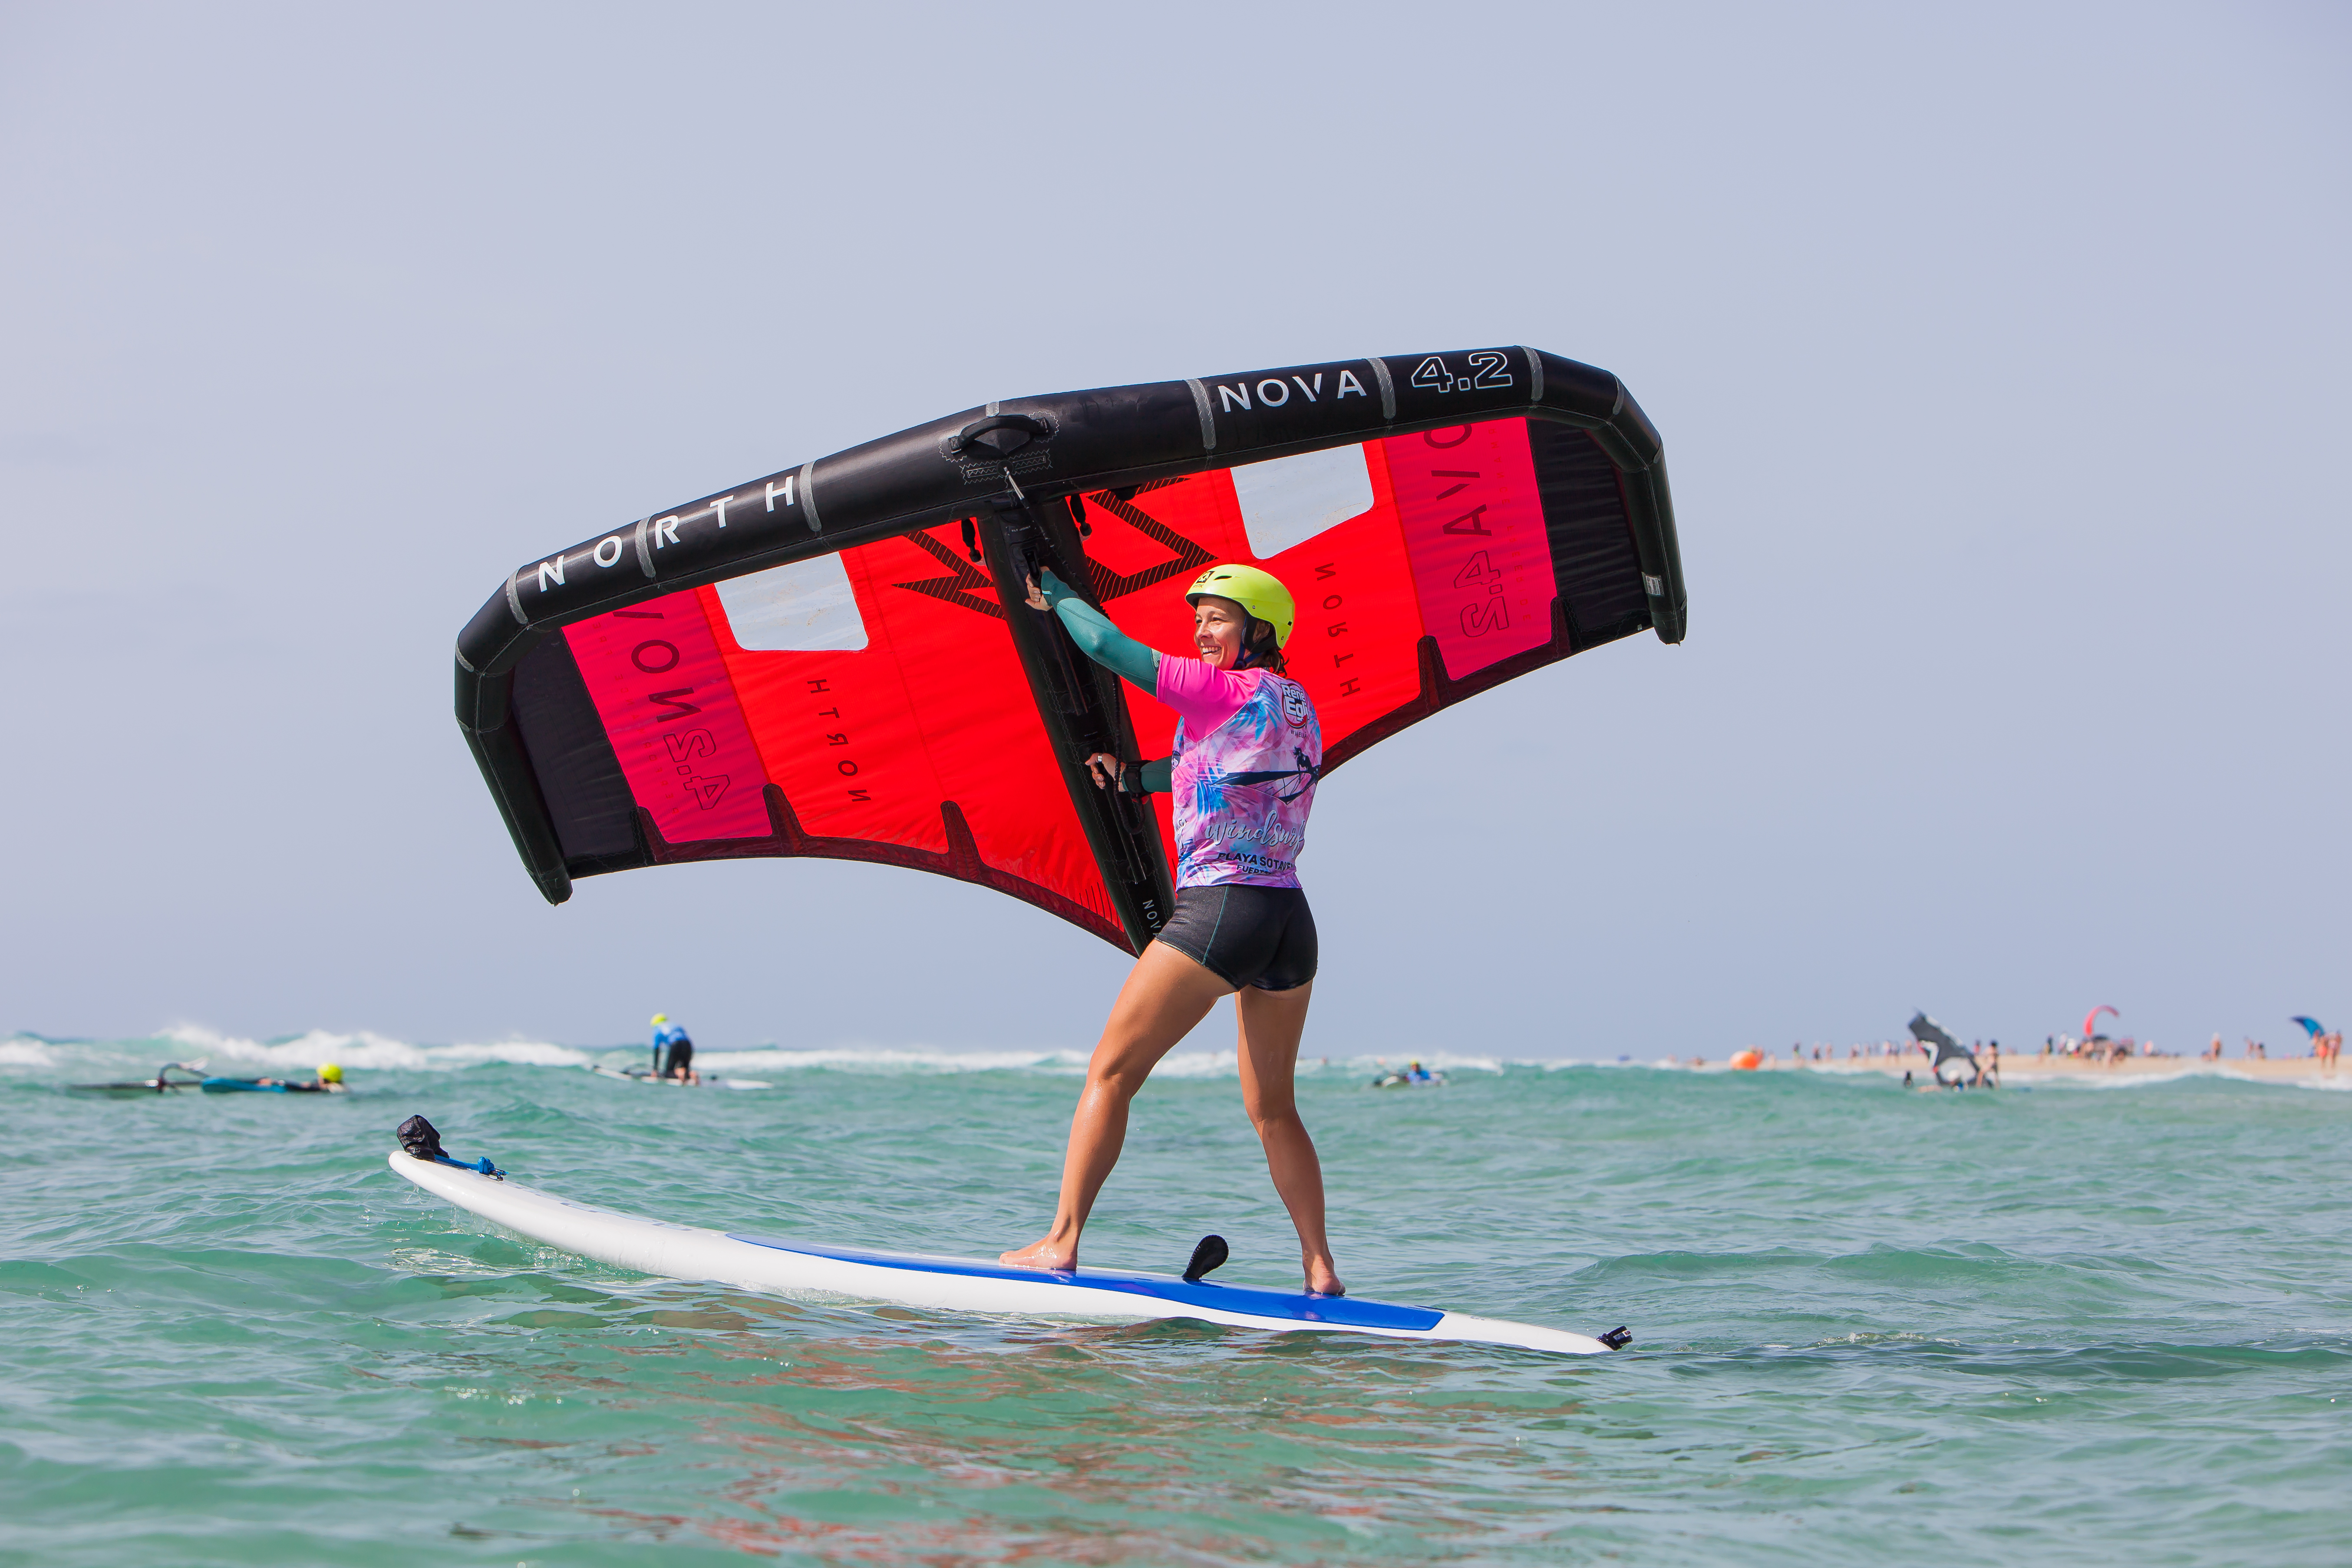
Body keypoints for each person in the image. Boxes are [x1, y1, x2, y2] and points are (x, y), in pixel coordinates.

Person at [1000, 563, 1340, 1296]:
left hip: (1223, 908)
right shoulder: (1295, 704)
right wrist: (1132, 777)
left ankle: (1060, 1241)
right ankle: (1319, 1266)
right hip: (1288, 919)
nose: (1202, 631)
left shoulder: (1222, 688)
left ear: (1259, 630)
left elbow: (1112, 650)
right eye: (1200, 619)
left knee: (1112, 1072)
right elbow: (1213, 770)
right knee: (1273, 1108)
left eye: (1218, 618)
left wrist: (1059, 598)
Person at [650, 1013, 698, 1085]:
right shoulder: (676, 1026)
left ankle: (680, 1073)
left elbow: (657, 1050)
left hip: (676, 1045)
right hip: (688, 1045)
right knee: (686, 1069)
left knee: (668, 1073)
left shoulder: (657, 1029)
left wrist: (655, 1070)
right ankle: (692, 1074)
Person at [254, 1063, 345, 1093]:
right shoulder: (340, 1087)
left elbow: (300, 1088)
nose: (319, 1078)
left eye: (320, 1076)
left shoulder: (328, 1089)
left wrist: (274, 1082)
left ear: (326, 1079)